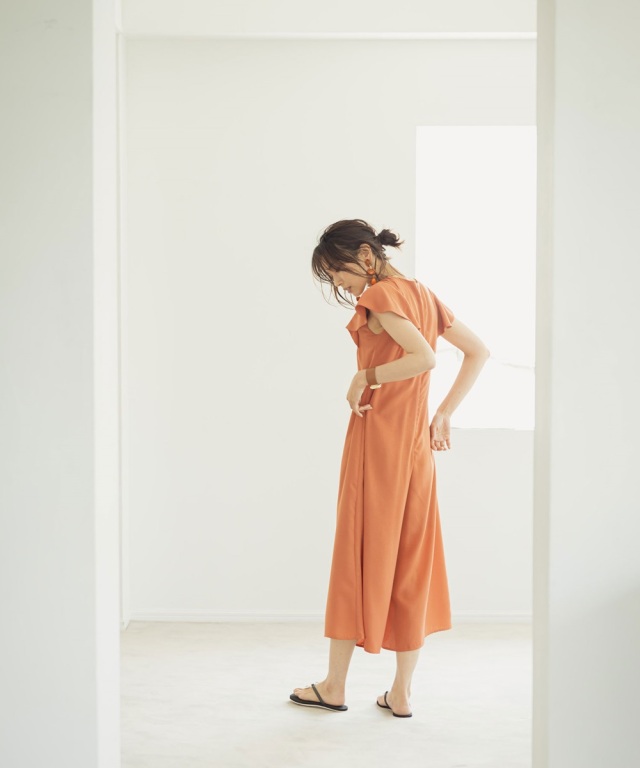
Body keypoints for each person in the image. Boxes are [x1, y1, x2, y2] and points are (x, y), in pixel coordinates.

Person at [290, 219, 490, 717]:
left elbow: (423, 359)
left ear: (365, 254)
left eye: (338, 272)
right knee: (410, 560)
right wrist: (443, 414)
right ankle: (400, 693)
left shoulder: (380, 296)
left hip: (377, 442)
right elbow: (477, 351)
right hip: (415, 449)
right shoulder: (423, 295)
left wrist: (366, 376)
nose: (340, 284)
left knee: (355, 556)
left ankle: (335, 686)